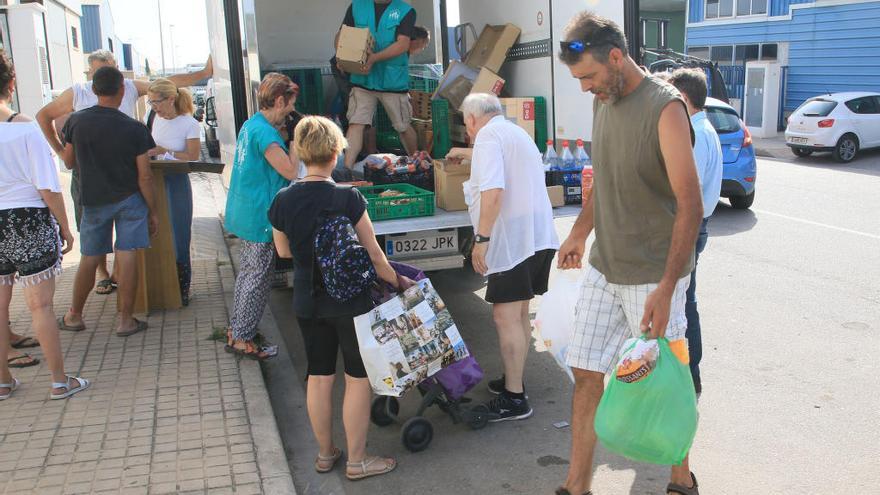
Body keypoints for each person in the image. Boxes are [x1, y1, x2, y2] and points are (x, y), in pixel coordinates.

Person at [554, 12, 703, 495]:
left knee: (662, 377)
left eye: (590, 76)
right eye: (579, 80)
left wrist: (667, 285)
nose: (585, 89)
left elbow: (690, 203)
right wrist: (579, 232)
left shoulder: (666, 109)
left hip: (652, 273)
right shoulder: (604, 99)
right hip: (605, 263)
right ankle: (577, 485)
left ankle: (681, 478)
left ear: (616, 57)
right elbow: (603, 177)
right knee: (586, 372)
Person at [268, 116, 407, 480]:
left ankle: (326, 454)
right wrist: (399, 282)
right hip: (350, 302)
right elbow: (375, 256)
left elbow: (282, 251)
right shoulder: (347, 197)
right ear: (335, 153)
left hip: (307, 300)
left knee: (319, 375)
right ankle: (358, 461)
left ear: (299, 152)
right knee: (357, 378)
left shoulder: (282, 199)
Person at [35, 49, 212, 296]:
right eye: (99, 69)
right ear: (92, 74)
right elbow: (43, 116)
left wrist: (203, 74)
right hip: (91, 177)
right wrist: (64, 155)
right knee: (96, 245)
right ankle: (105, 278)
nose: (106, 73)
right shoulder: (77, 92)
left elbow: (167, 85)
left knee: (125, 241)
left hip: (126, 174)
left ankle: (119, 291)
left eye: (108, 67)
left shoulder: (130, 88)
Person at [446, 93, 560, 422]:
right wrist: (466, 153)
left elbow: (493, 192)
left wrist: (480, 240)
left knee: (504, 318)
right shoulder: (513, 132)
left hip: (512, 242)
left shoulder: (486, 138)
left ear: (470, 120)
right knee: (519, 313)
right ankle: (514, 380)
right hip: (536, 237)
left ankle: (514, 397)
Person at [0, 50, 90, 400]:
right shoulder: (22, 128)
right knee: (40, 306)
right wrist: (65, 226)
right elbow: (48, 186)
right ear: (12, 83)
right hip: (27, 218)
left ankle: (4, 383)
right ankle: (58, 381)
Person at [58, 66, 159, 338]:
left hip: (93, 199)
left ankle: (74, 315)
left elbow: (68, 162)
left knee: (89, 258)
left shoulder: (76, 122)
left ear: (93, 90)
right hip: (129, 199)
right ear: (122, 90)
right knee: (127, 256)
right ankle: (126, 321)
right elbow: (145, 176)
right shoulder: (135, 128)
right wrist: (153, 210)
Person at [224, 73, 301, 360]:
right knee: (256, 278)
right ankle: (242, 338)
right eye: (290, 105)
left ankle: (238, 330)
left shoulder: (251, 124)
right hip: (259, 216)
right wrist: (295, 144)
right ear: (279, 100)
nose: (291, 111)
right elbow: (290, 172)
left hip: (245, 211)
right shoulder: (267, 135)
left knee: (248, 276)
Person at [668, 68, 723, 394]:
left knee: (683, 303)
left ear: (684, 99)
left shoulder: (697, 135)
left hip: (690, 227)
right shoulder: (703, 128)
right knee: (685, 300)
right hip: (697, 225)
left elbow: (687, 189)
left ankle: (690, 375)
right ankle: (689, 374)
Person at [339, 0, 419, 169]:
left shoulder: (405, 10)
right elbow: (342, 35)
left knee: (402, 126)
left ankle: (417, 163)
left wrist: (374, 58)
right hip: (363, 80)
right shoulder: (357, 6)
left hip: (392, 81)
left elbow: (403, 44)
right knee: (356, 122)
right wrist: (341, 55)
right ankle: (347, 171)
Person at [145, 78, 202, 306]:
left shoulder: (189, 123)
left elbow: (193, 156)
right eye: (150, 102)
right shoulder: (151, 118)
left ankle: (182, 287)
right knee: (155, 232)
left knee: (179, 233)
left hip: (177, 181)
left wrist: (165, 152)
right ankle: (160, 283)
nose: (154, 107)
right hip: (154, 180)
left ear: (170, 99)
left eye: (156, 102)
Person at [332, 24, 430, 132]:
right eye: (424, 45)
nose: (423, 49)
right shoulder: (396, 45)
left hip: (364, 70)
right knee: (355, 112)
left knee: (361, 115)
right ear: (417, 40)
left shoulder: (401, 49)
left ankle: (363, 144)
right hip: (352, 65)